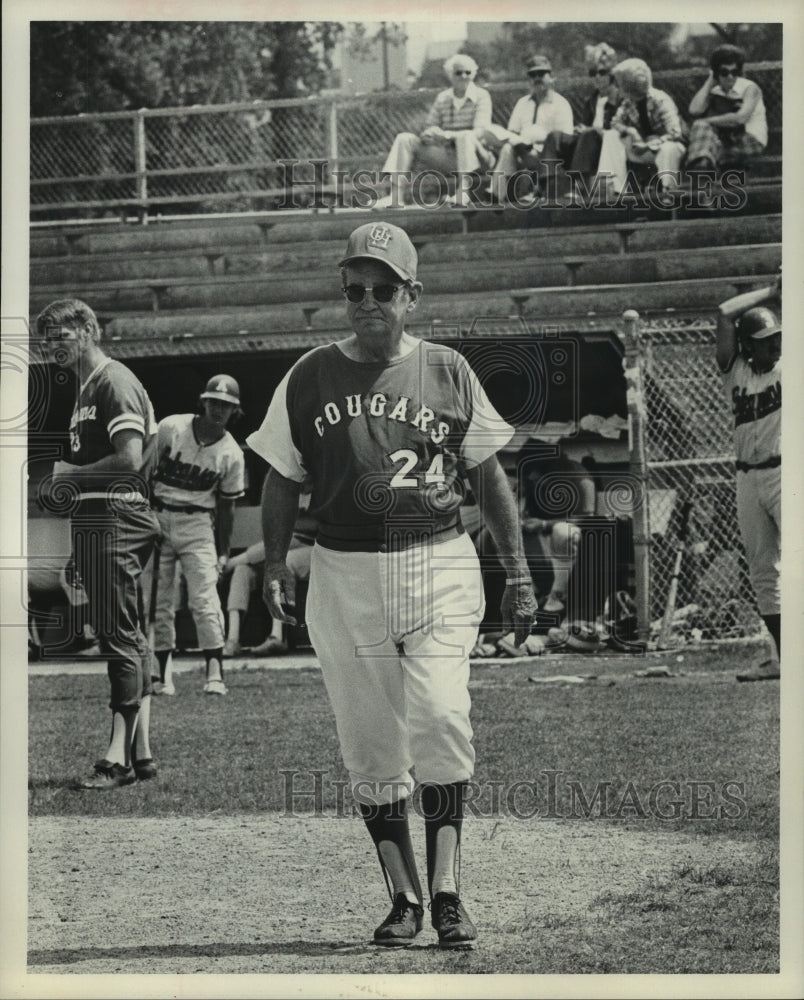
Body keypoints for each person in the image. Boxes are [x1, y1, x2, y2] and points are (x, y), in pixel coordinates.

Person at [246, 221, 538, 949]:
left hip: (436, 560)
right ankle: (403, 897)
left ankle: (448, 892)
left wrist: (521, 573)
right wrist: (277, 562)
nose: (366, 301)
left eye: (382, 289)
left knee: (440, 717)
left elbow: (488, 477)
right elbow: (282, 475)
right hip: (344, 571)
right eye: (354, 290)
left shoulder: (447, 369)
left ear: (412, 294)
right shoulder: (309, 374)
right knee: (370, 742)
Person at [36, 298, 160, 789]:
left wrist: (69, 472)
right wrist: (65, 489)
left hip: (116, 520)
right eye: (45, 338)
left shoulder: (112, 380)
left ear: (87, 330)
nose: (50, 346)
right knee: (127, 633)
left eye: (59, 335)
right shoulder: (88, 388)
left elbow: (129, 459)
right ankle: (143, 753)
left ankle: (118, 761)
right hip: (100, 518)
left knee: (118, 637)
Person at [150, 375, 245, 696]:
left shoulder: (231, 453)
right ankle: (163, 675)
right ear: (203, 402)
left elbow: (227, 507)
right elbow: (143, 472)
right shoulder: (172, 428)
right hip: (159, 514)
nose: (219, 409)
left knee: (204, 599)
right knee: (158, 601)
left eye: (226, 405)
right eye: (214, 402)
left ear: (235, 410)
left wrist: (222, 551)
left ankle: (214, 673)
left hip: (199, 522)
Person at [715, 274, 781, 682]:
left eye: (777, 337)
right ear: (746, 344)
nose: (774, 344)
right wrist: (771, 294)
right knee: (762, 571)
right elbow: (723, 313)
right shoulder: (735, 369)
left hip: (786, 470)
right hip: (746, 478)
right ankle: (786, 658)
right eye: (765, 339)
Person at [374, 54, 495, 210]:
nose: (463, 76)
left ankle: (463, 193)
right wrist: (430, 134)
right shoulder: (443, 98)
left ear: (473, 74)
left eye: (468, 72)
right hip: (449, 157)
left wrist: (447, 135)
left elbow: (479, 132)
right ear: (451, 75)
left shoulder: (482, 96)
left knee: (466, 136)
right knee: (404, 139)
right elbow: (430, 125)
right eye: (458, 72)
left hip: (478, 158)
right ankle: (395, 196)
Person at [222, 492, 317, 657]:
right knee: (242, 570)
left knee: (282, 565)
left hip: (316, 549)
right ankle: (233, 640)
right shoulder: (288, 486)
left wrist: (237, 559)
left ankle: (278, 636)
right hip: (285, 547)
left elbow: (304, 533)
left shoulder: (321, 486)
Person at [518, 441, 597, 617]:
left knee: (563, 531)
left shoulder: (578, 477)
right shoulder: (535, 479)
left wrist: (545, 524)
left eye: (533, 473)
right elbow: (529, 510)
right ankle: (535, 596)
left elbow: (588, 519)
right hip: (543, 538)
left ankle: (556, 598)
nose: (531, 478)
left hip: (576, 538)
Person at [486, 53, 574, 205]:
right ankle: (497, 195)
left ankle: (501, 194)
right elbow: (512, 131)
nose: (537, 78)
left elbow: (564, 141)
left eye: (541, 74)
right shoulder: (522, 103)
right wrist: (520, 142)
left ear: (551, 77)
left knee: (519, 149)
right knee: (507, 147)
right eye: (533, 75)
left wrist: (535, 144)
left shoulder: (560, 104)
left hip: (548, 157)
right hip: (522, 151)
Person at [538, 43, 619, 200]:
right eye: (592, 72)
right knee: (555, 136)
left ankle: (580, 185)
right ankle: (548, 184)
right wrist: (581, 129)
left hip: (608, 145)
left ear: (612, 74)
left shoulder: (621, 98)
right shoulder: (591, 101)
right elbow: (587, 126)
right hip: (588, 145)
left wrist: (591, 130)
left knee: (588, 134)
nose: (596, 77)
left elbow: (617, 131)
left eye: (602, 72)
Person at [596, 58, 686, 194]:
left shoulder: (660, 99)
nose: (617, 88)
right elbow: (615, 123)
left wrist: (649, 145)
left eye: (619, 85)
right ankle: (616, 188)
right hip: (641, 148)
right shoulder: (628, 102)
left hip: (664, 148)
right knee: (611, 135)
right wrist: (631, 131)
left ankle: (667, 192)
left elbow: (675, 133)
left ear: (628, 86)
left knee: (669, 149)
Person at [686, 44, 768, 172]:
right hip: (726, 139)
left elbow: (739, 119)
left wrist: (706, 121)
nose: (730, 77)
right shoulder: (715, 90)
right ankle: (701, 167)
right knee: (700, 128)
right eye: (724, 72)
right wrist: (709, 82)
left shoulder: (750, 88)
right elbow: (694, 110)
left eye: (734, 72)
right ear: (716, 73)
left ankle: (703, 164)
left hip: (750, 139)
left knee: (708, 140)